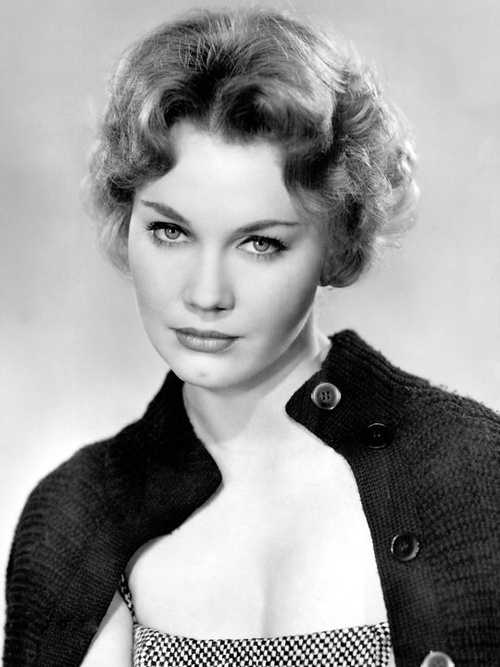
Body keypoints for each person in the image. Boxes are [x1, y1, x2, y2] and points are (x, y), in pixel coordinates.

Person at [4, 7, 499, 667]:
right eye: (170, 231)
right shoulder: (72, 516)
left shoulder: (473, 475)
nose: (206, 293)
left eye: (260, 243)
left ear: (338, 240)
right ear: (127, 223)